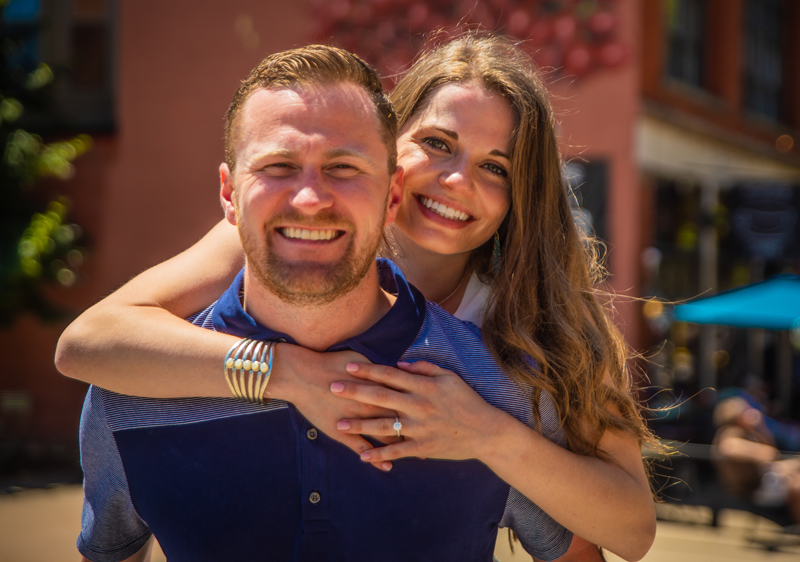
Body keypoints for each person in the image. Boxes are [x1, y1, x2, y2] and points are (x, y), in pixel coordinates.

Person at [58, 34, 657, 561]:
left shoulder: (525, 330)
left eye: (496, 167)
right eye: (439, 143)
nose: (456, 181)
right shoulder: (294, 234)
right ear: (391, 153)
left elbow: (629, 533)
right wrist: (289, 373)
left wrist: (487, 434)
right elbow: (90, 342)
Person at [712, 396, 800, 523]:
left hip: (761, 482)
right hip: (751, 490)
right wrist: (755, 452)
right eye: (746, 410)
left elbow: (771, 451)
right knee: (797, 486)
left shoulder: (749, 432)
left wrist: (761, 426)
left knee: (795, 475)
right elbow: (728, 448)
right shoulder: (730, 432)